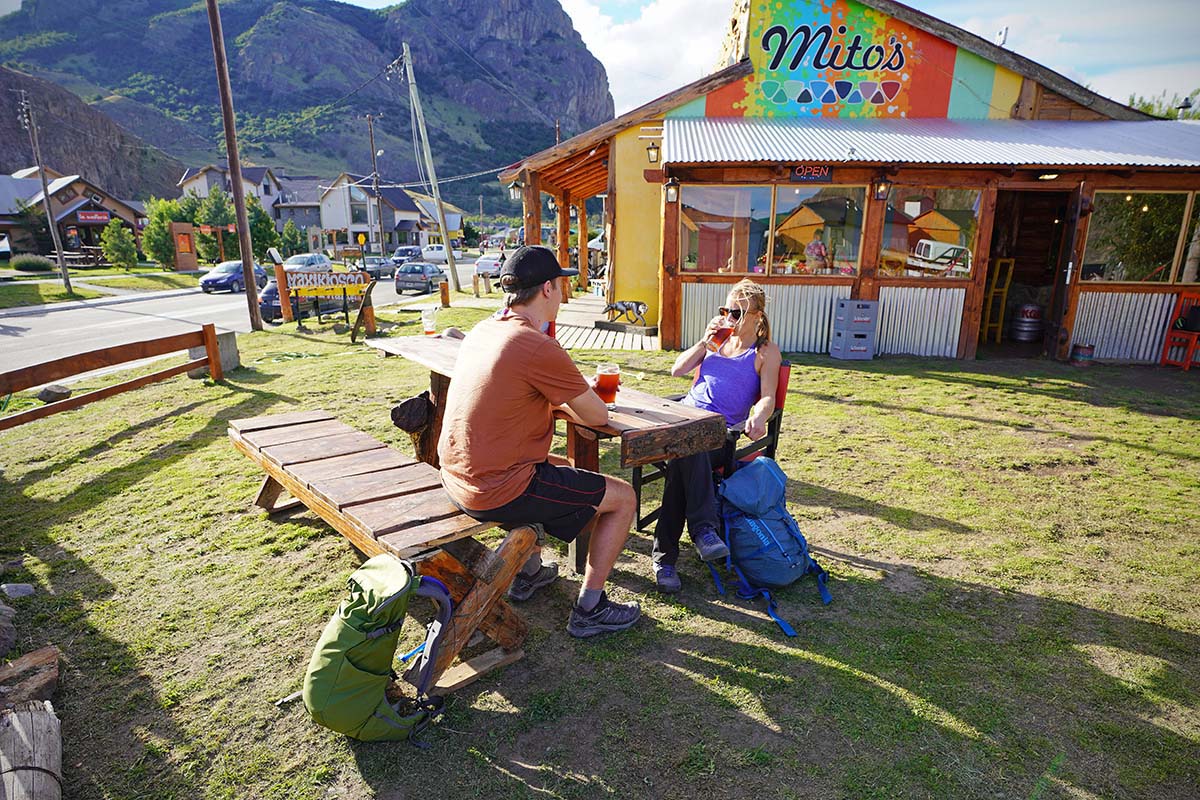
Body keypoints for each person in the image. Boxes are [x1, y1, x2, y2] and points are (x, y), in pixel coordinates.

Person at [437, 245, 641, 638]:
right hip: (494, 489)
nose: (564, 295)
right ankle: (591, 607)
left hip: (456, 478)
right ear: (547, 289)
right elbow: (598, 416)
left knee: (561, 469)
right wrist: (574, 395)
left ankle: (528, 571)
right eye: (562, 286)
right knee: (623, 498)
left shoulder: (484, 329)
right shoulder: (535, 345)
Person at [651, 278, 782, 593]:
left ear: (757, 316)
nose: (729, 318)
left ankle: (664, 559)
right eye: (726, 310)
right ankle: (703, 531)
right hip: (685, 420)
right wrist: (703, 343)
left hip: (720, 436)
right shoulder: (717, 342)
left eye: (737, 313)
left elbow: (768, 397)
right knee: (687, 447)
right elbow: (677, 371)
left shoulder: (765, 352)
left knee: (687, 451)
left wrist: (759, 416)